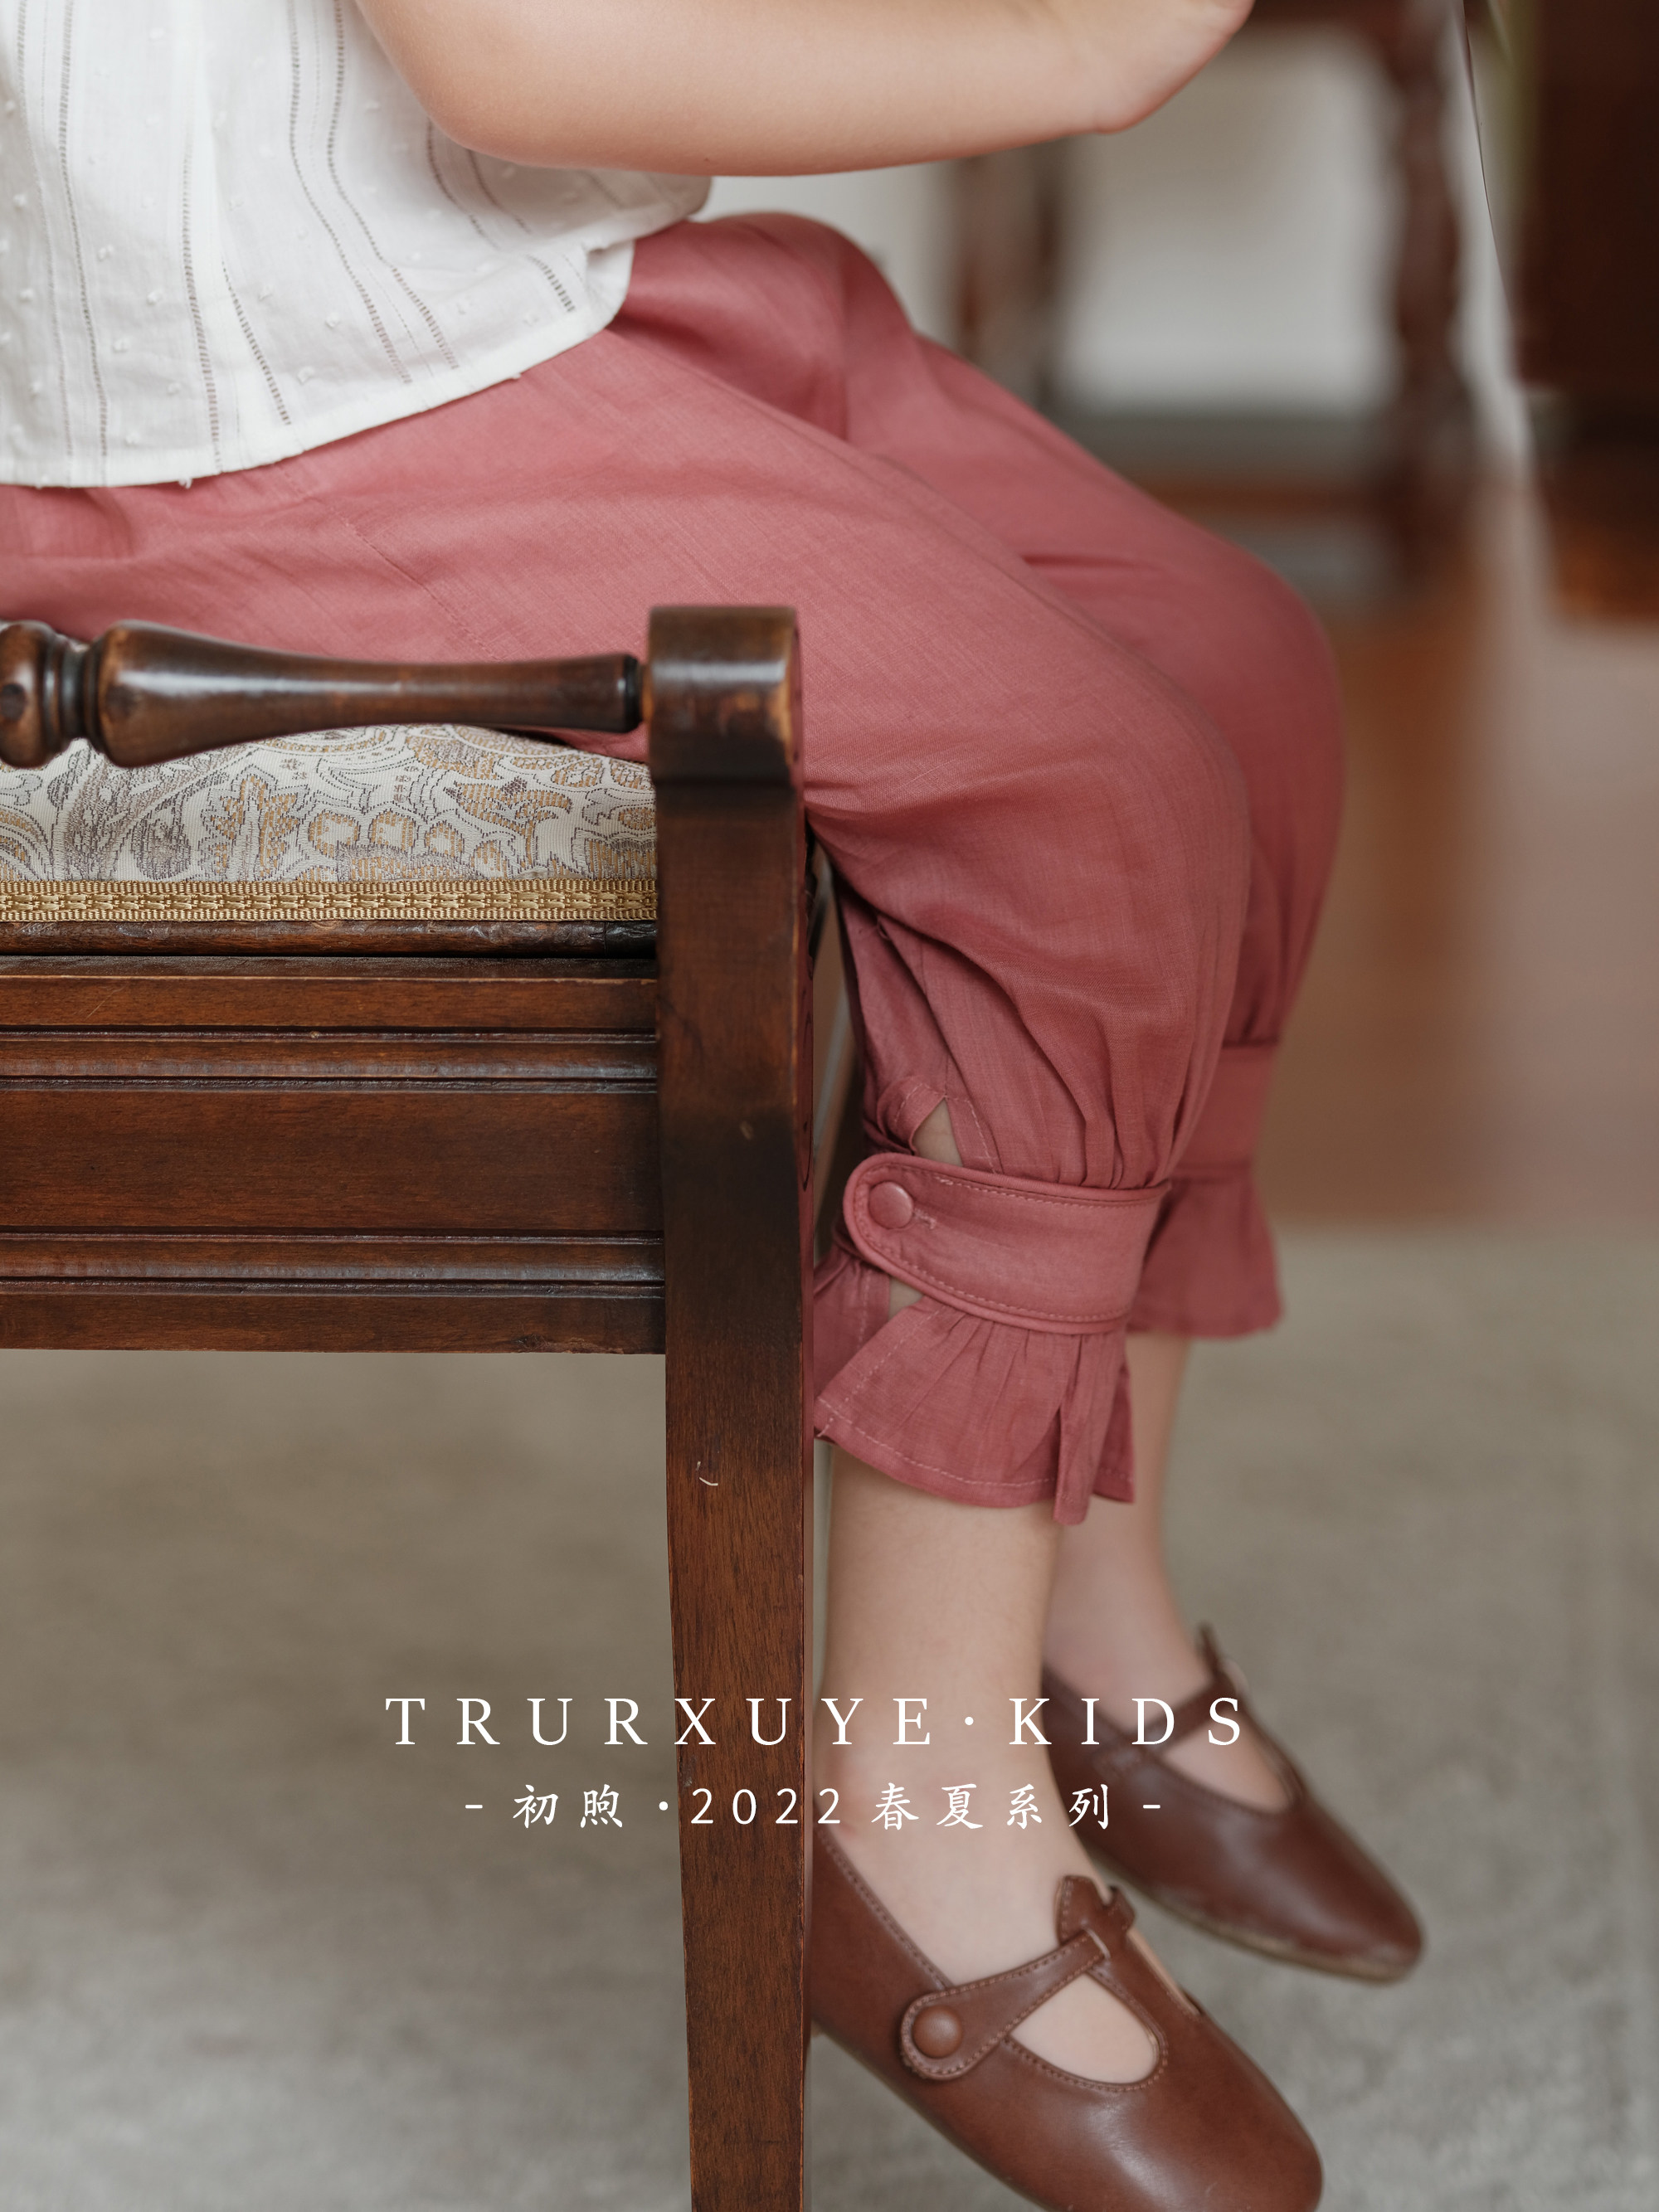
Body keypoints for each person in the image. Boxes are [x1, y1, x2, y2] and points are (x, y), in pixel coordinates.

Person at [0, 3, 1419, 2205]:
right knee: (1100, 799)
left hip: (496, 265)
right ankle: (907, 1820)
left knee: (1238, 663)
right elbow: (516, 55)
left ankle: (1088, 1612)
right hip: (227, 390)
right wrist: (1080, 53)